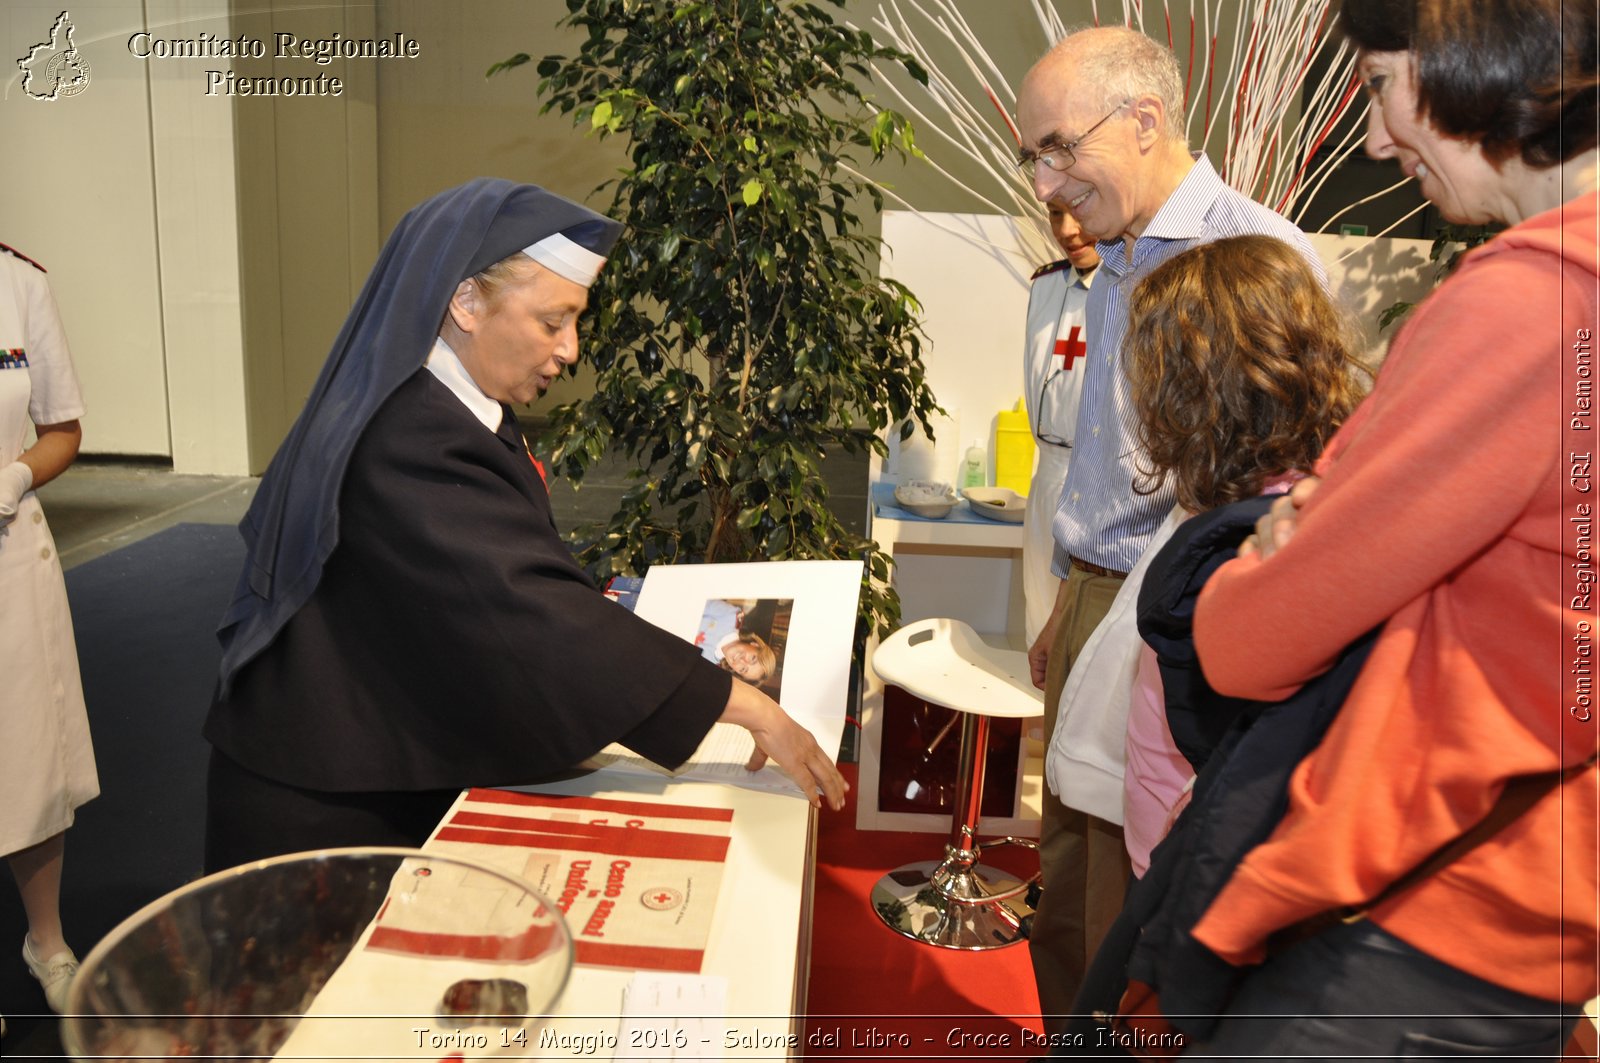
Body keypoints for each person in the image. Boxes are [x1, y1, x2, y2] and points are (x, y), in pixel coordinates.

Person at [203, 180, 846, 873]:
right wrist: (747, 704)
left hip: (379, 758)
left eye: (576, 322)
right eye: (551, 321)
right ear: (466, 302)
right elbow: (529, 615)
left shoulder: (448, 403)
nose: (570, 349)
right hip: (328, 816)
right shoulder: (408, 436)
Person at [1181, 0, 1598, 1054]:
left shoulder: (1530, 308)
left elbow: (1245, 639)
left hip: (1420, 918)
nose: (1371, 138)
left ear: (1477, 56)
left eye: (1376, 82)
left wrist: (1251, 565)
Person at [1013, 25, 1327, 1027]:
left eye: (1059, 148)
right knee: (1063, 878)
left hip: (1186, 608)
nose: (1048, 184)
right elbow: (1110, 454)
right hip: (1095, 590)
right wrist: (1069, 595)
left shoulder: (1255, 253)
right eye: (1034, 156)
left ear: (1144, 119)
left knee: (1128, 892)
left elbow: (1284, 482)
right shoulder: (1110, 255)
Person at [0, 242, 95, 1018]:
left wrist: (15, 475)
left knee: (28, 754)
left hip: (5, 550)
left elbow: (61, 427)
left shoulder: (19, 281)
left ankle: (47, 942)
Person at [1021, 202, 1099, 647]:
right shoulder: (1045, 287)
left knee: (1083, 638)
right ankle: (1039, 719)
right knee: (1038, 620)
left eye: (1079, 213)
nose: (1068, 231)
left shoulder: (1133, 290)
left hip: (1097, 481)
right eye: (1054, 214)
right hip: (1046, 477)